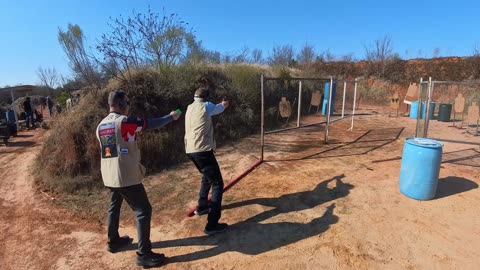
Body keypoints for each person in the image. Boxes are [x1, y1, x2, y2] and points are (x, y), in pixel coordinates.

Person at [96, 90, 181, 267]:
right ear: (120, 104)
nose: (129, 106)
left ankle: (113, 241)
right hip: (125, 174)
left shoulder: (101, 125)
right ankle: (144, 254)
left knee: (114, 206)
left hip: (109, 174)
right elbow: (150, 124)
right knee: (143, 210)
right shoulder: (125, 121)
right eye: (127, 103)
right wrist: (170, 117)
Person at [184, 87, 229, 235]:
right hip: (202, 150)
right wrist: (224, 104)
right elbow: (220, 108)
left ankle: (202, 205)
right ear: (206, 98)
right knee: (217, 184)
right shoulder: (206, 106)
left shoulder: (189, 107)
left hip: (190, 150)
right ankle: (212, 225)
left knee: (207, 176)